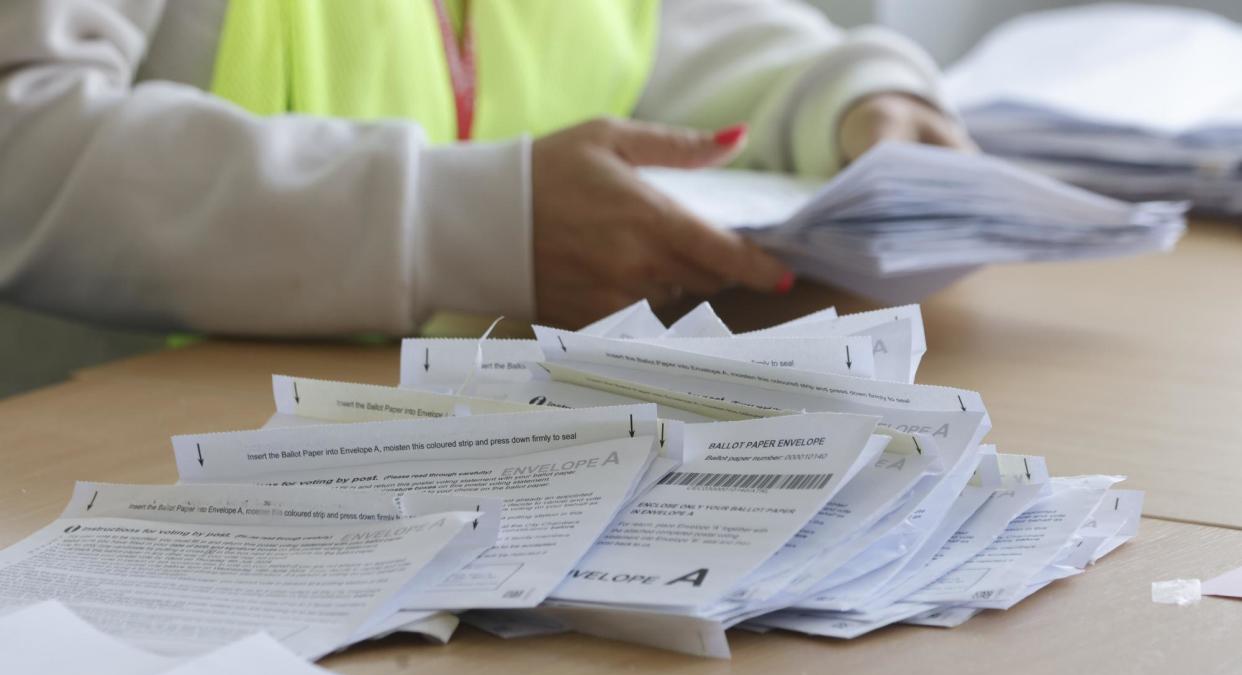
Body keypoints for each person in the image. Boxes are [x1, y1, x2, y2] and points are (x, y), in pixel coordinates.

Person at [0, 0, 971, 336]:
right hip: (170, 477)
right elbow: (19, 147)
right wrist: (456, 222)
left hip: (497, 458)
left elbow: (661, 34)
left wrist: (857, 96)